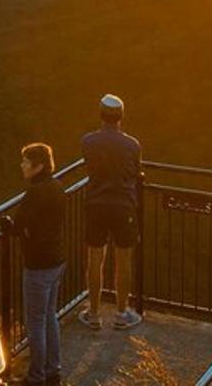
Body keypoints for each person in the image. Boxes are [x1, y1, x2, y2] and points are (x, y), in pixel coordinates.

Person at [78, 93, 142, 330]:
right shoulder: (132, 144)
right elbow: (136, 172)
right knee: (123, 259)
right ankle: (122, 313)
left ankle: (93, 313)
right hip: (123, 205)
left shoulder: (88, 142)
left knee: (95, 258)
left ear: (101, 115)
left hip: (96, 203)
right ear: (121, 117)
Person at [13, 142, 68, 386]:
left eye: (26, 161)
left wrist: (13, 228)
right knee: (49, 316)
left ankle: (36, 377)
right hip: (57, 259)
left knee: (35, 321)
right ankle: (52, 370)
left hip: (38, 264)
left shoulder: (35, 193)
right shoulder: (57, 186)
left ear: (39, 166)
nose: (22, 165)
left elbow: (19, 222)